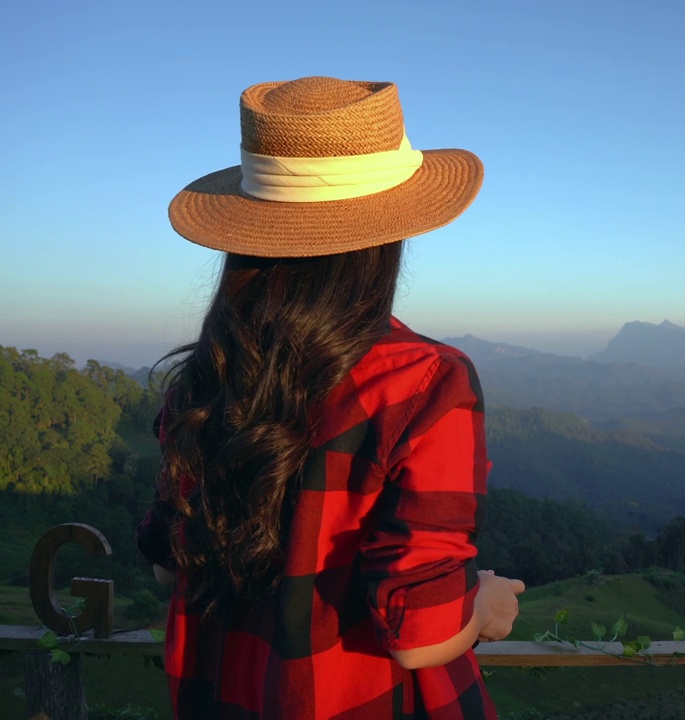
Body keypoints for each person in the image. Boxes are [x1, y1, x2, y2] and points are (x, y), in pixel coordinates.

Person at [136, 76, 523, 720]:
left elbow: (167, 572)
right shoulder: (425, 382)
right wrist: (485, 606)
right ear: (387, 237)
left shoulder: (204, 381)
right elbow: (422, 640)